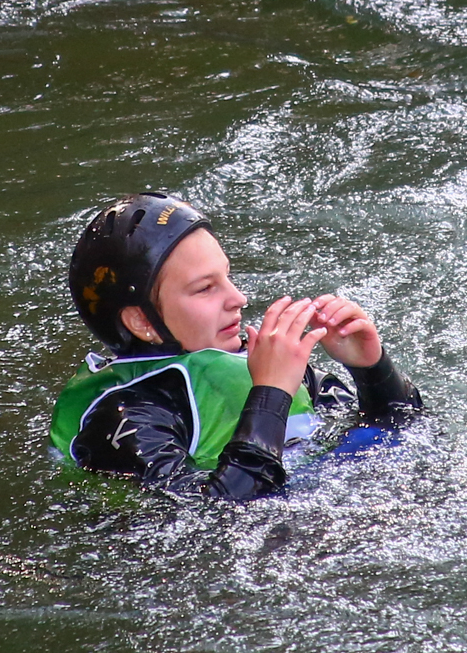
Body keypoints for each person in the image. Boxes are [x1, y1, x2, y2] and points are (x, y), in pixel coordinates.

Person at [50, 192, 422, 501]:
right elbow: (216, 518)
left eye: (227, 276)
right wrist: (271, 394)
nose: (239, 298)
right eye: (205, 288)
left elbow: (403, 430)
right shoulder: (124, 418)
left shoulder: (259, 362)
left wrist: (371, 369)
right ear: (142, 322)